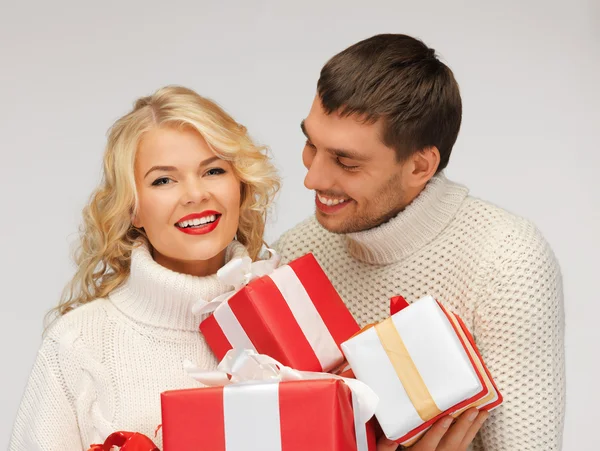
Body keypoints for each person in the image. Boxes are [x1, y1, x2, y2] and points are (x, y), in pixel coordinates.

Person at [273, 34, 565, 451]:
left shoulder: (507, 260)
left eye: (346, 161)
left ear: (419, 166)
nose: (313, 179)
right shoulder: (297, 252)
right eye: (310, 144)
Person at [9, 86, 280, 450]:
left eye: (213, 170)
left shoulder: (289, 312)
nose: (195, 194)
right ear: (132, 209)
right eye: (163, 180)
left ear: (242, 188)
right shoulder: (79, 344)